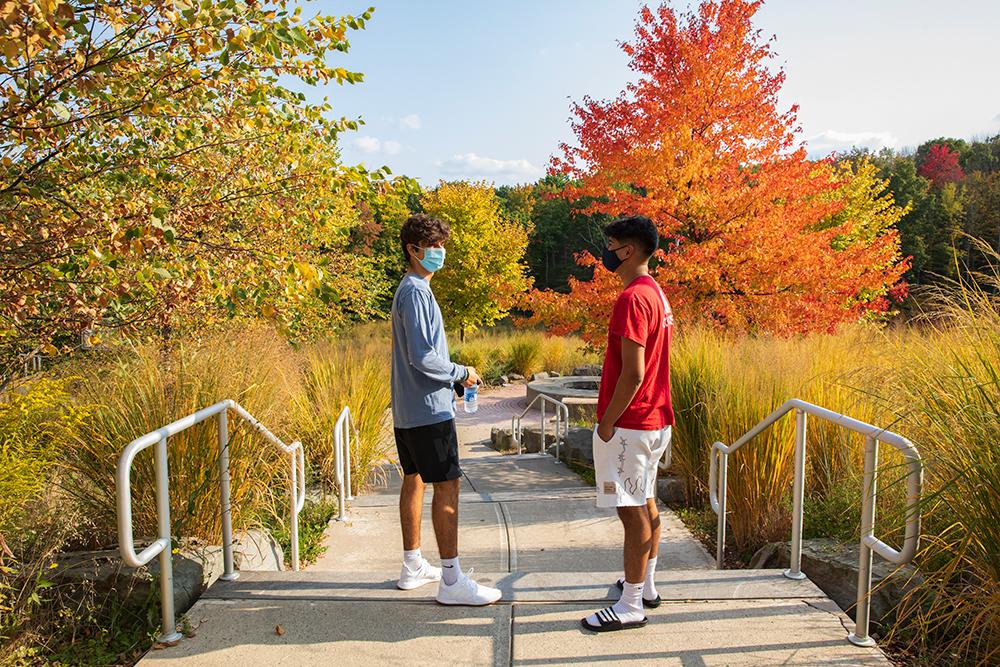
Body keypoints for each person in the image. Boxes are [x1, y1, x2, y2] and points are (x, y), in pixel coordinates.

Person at [390, 212, 502, 606]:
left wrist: (452, 377)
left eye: (441, 245)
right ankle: (452, 581)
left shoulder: (409, 289)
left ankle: (413, 564)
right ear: (413, 250)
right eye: (432, 246)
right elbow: (424, 357)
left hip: (408, 409)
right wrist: (462, 373)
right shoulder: (417, 292)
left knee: (415, 478)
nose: (439, 252)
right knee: (447, 486)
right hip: (426, 411)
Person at [581, 215, 675, 632]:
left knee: (630, 509)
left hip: (631, 425)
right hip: (654, 420)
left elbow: (632, 373)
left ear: (629, 250)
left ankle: (632, 603)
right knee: (646, 501)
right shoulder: (655, 292)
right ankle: (646, 586)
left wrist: (607, 422)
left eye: (613, 244)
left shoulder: (632, 299)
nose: (607, 252)